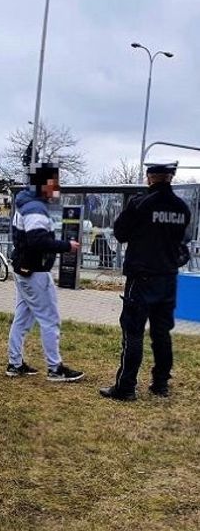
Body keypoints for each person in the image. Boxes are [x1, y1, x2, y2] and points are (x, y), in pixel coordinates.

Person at [99, 161, 192, 401]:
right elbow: (182, 241)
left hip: (141, 278)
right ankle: (160, 384)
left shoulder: (139, 204)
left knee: (133, 332)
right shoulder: (182, 208)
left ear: (150, 177)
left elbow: (120, 233)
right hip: (168, 278)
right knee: (162, 333)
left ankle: (126, 387)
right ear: (170, 178)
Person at [6, 163, 84, 382]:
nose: (56, 189)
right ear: (44, 184)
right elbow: (38, 240)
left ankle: (15, 364)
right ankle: (55, 368)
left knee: (21, 319)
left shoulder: (25, 201)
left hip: (24, 270)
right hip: (36, 272)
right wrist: (66, 246)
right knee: (50, 319)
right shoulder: (35, 208)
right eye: (54, 183)